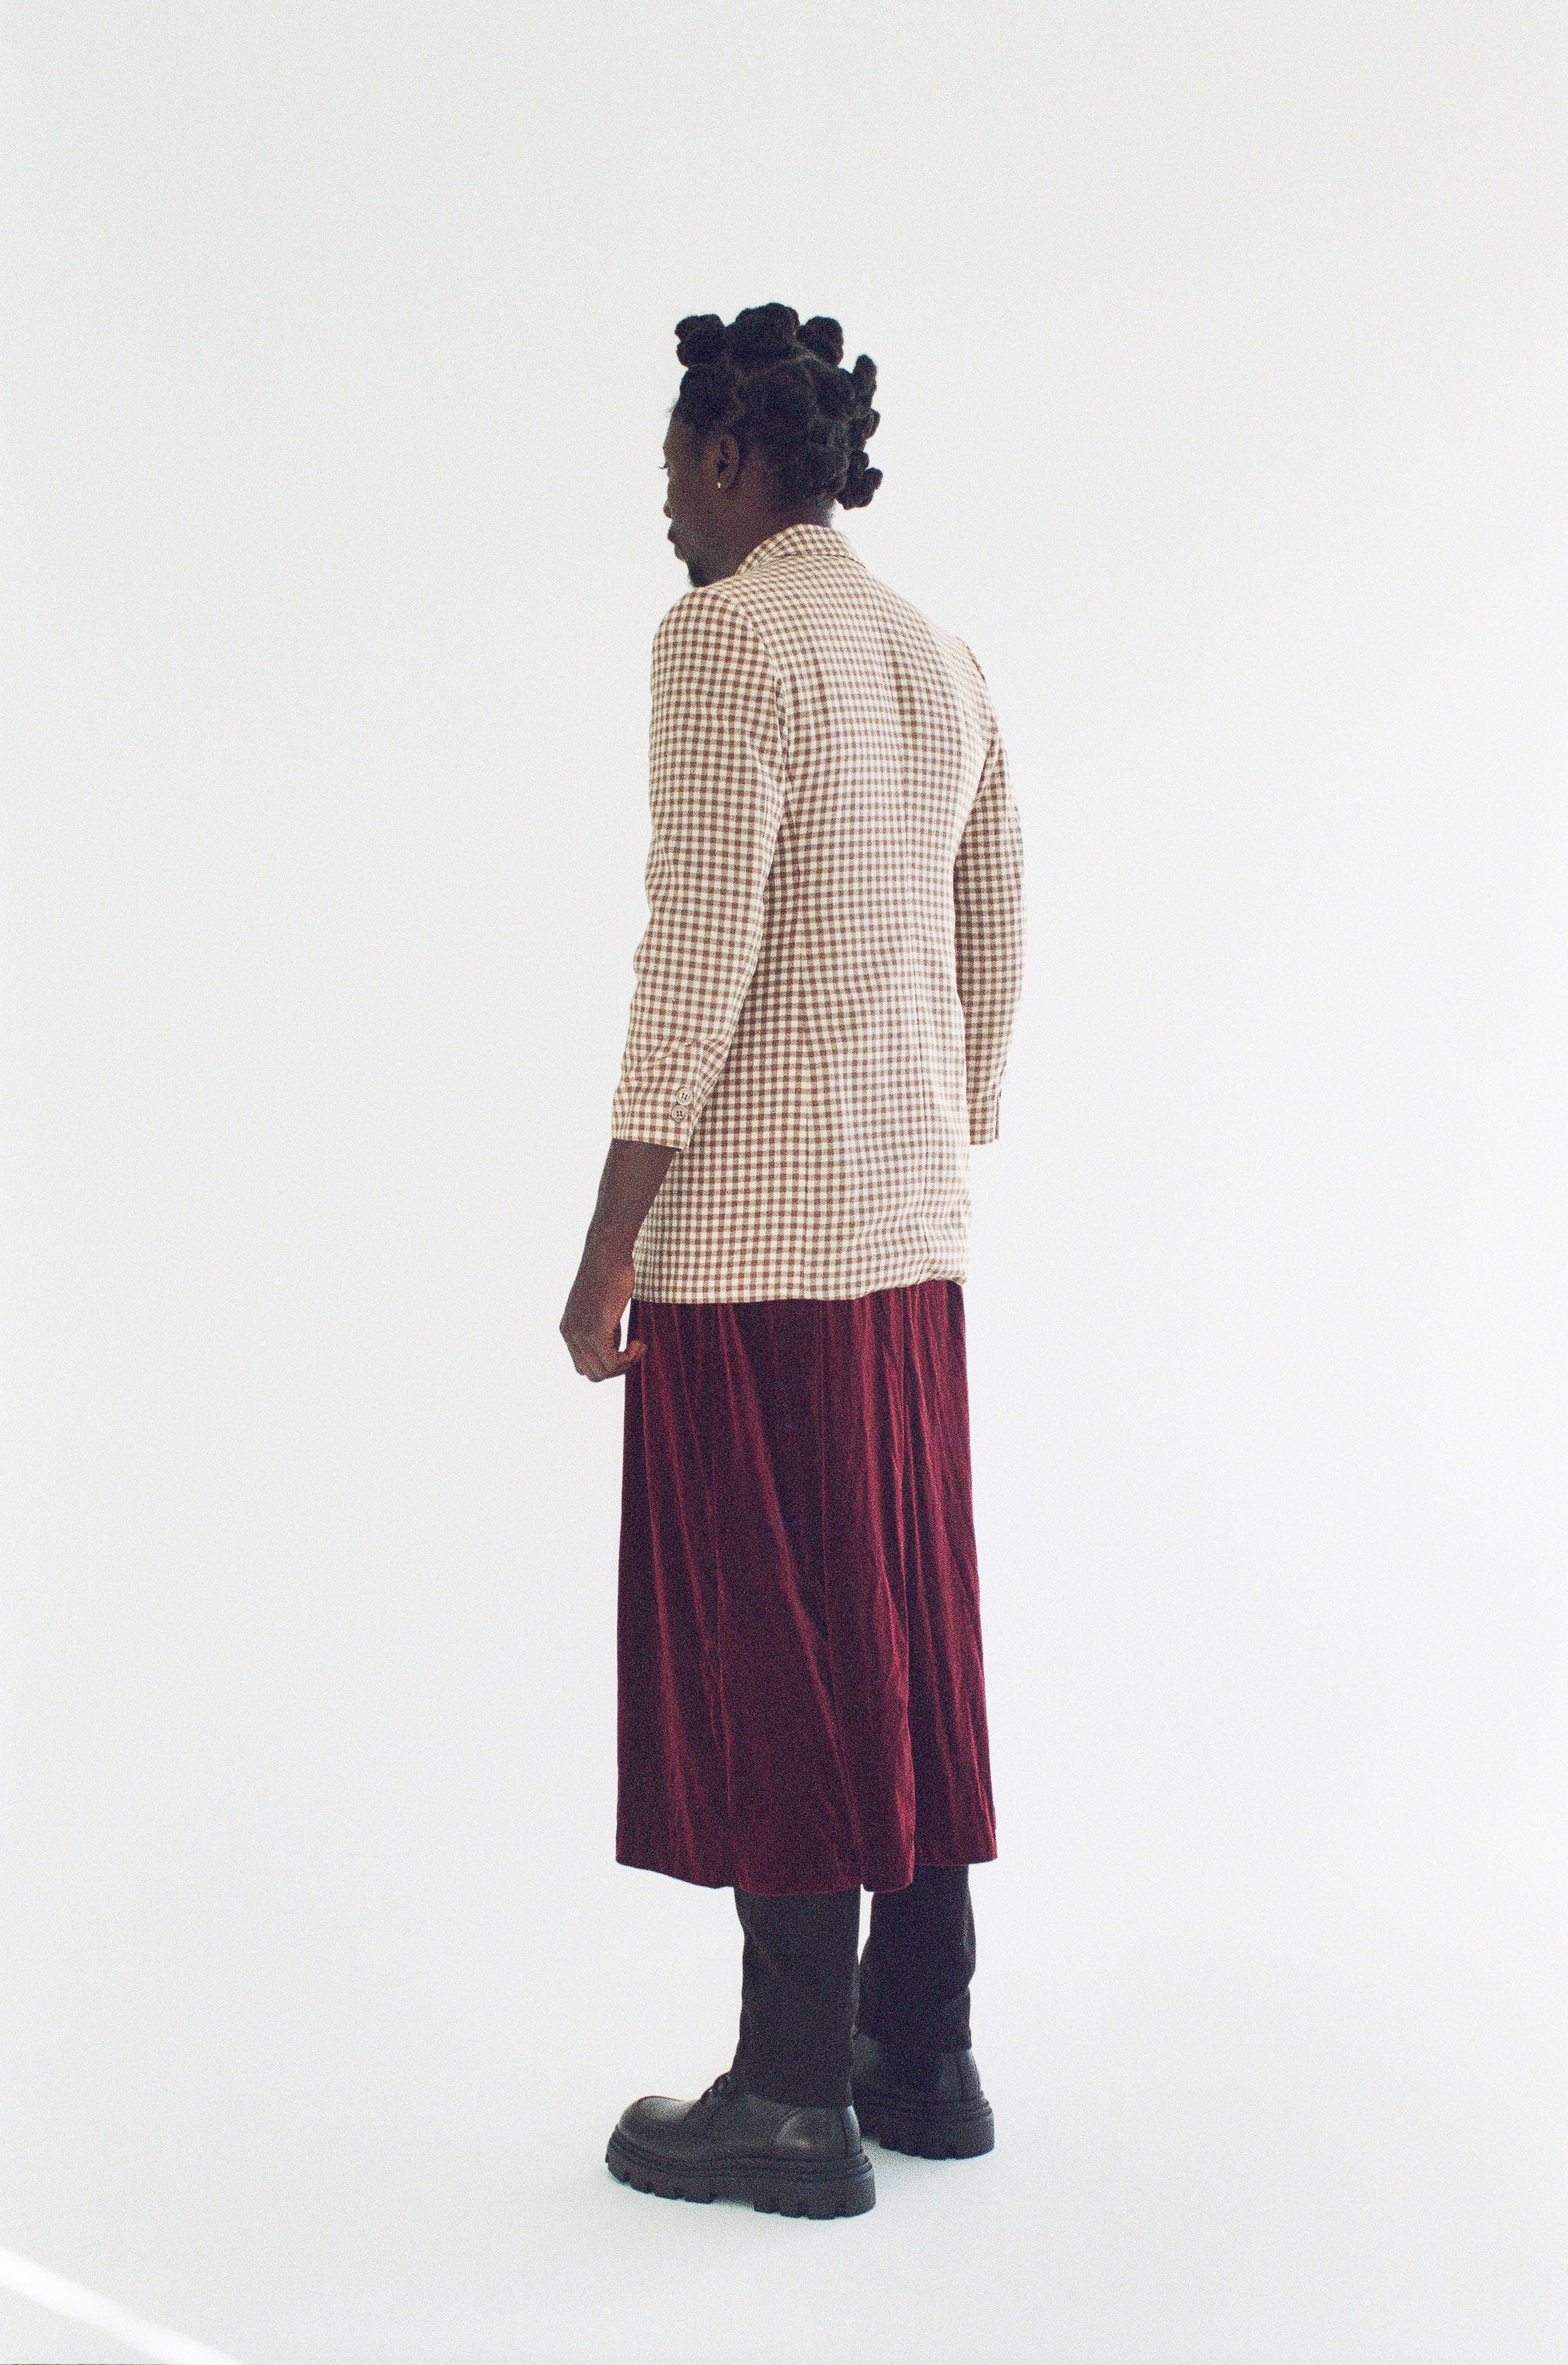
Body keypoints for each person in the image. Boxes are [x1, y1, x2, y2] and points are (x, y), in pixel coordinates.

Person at [560, 302, 1027, 2220]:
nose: (666, 504)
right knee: (902, 1623)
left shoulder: (724, 638)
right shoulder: (934, 650)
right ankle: (922, 2053)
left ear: (734, 460)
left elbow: (698, 944)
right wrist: (945, 1124)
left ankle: (785, 2098)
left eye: (677, 467)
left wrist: (609, 1241)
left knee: (778, 1645)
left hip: (757, 1251)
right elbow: (997, 911)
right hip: (905, 1243)